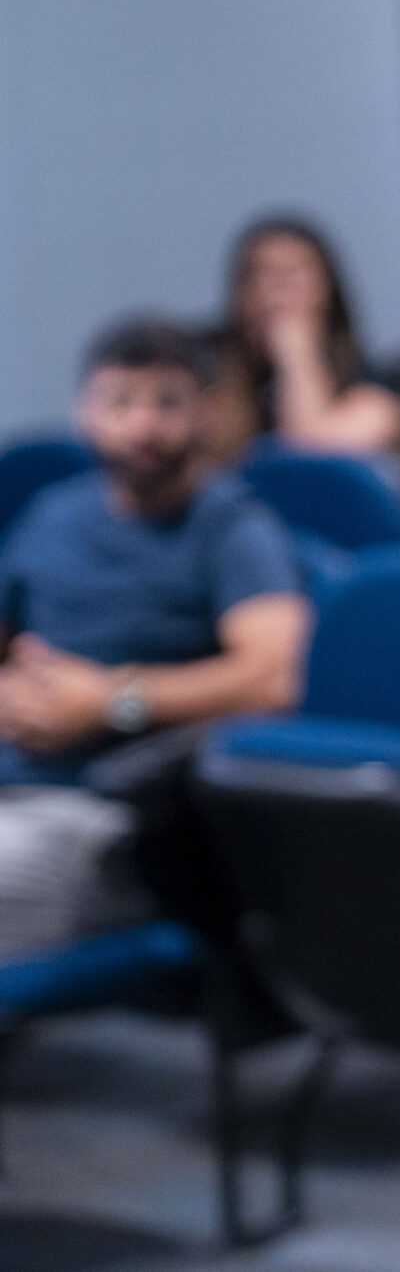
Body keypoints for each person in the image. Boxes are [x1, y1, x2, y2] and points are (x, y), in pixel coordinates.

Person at [0, 318, 307, 955]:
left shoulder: (232, 529)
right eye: (120, 403)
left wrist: (112, 700)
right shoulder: (53, 515)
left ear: (207, 412)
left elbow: (276, 677)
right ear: (85, 412)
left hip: (107, 815)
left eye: (166, 403)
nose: (141, 426)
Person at [203, 215, 400, 463]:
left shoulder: (377, 382)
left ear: (327, 291)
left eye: (291, 275)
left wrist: (295, 352)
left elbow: (308, 458)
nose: (274, 294)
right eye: (258, 275)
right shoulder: (206, 374)